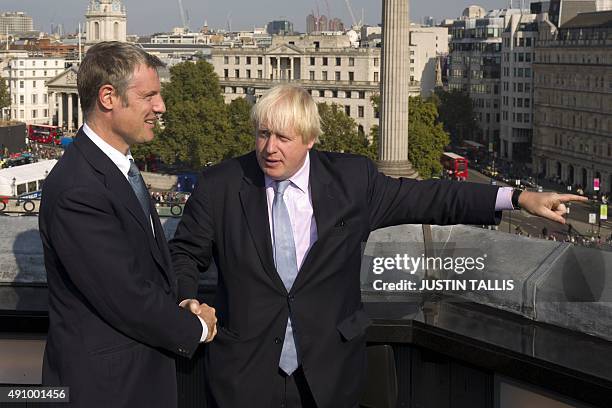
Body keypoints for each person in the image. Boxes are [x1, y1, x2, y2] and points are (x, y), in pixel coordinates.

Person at [170, 84, 587, 408]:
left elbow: (432, 197)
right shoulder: (221, 185)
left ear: (311, 139)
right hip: (244, 375)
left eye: (283, 137)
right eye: (262, 134)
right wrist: (188, 298)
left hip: (329, 375)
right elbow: (185, 253)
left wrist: (516, 198)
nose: (269, 148)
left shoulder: (352, 181)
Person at [38, 42, 217, 408]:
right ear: (108, 97)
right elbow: (126, 294)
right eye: (148, 95)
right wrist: (197, 327)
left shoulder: (115, 169)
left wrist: (183, 300)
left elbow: (146, 268)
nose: (161, 107)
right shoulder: (78, 188)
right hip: (105, 390)